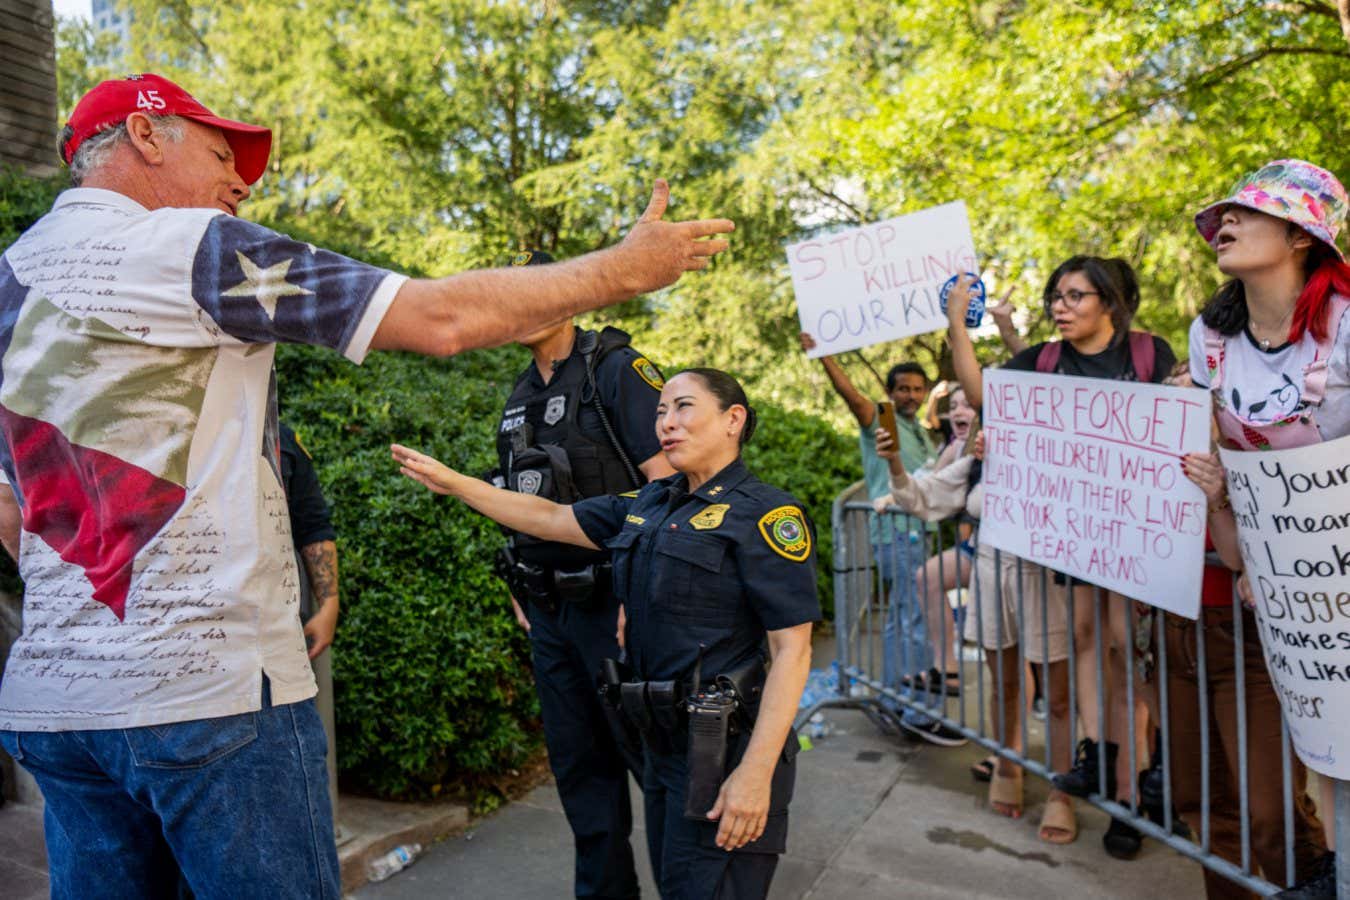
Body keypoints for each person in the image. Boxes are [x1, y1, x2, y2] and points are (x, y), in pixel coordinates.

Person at [0, 72, 732, 899]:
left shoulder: (9, 279)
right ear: (143, 135)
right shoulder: (187, 243)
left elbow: (9, 507)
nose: (239, 183)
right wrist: (623, 270)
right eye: (218, 153)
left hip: (54, 708)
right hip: (209, 695)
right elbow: (438, 317)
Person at [393, 368, 818, 900]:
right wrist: (458, 485)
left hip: (726, 752)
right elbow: (550, 517)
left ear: (734, 419)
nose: (666, 422)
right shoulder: (651, 502)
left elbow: (792, 652)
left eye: (684, 407)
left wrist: (755, 774)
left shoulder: (767, 516)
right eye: (661, 412)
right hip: (665, 748)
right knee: (678, 886)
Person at [947, 256, 1177, 858]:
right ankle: (1099, 764)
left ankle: (1136, 797)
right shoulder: (1043, 361)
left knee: (1129, 654)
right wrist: (957, 326)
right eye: (1056, 295)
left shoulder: (1151, 356)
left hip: (1140, 533)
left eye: (1076, 296)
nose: (1060, 305)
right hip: (1076, 534)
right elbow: (984, 397)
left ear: (1110, 303)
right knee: (1084, 643)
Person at [1182, 158, 1350, 899]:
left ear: (1301, 236)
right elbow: (1225, 483)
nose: (1227, 223)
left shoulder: (1345, 326)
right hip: (1275, 593)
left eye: (1246, 214)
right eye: (1223, 214)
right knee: (1326, 753)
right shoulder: (1209, 340)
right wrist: (1219, 500)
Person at [490, 249, 676, 900]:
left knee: (658, 770)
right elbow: (515, 503)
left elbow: (673, 489)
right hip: (552, 618)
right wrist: (523, 592)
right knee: (582, 777)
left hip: (621, 611)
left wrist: (642, 591)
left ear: (569, 297)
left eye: (535, 292)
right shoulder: (518, 399)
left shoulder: (617, 372)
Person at [876, 411, 1076, 843]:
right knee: (1003, 683)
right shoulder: (977, 463)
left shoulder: (1058, 456)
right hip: (990, 574)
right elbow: (922, 496)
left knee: (1058, 695)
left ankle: (1062, 790)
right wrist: (893, 462)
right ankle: (1007, 764)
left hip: (1045, 580)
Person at [797, 332, 965, 747]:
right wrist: (824, 354)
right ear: (889, 393)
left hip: (916, 533)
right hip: (897, 535)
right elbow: (851, 395)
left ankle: (901, 702)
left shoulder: (918, 429)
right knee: (910, 620)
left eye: (917, 389)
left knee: (903, 619)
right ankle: (913, 711)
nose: (910, 395)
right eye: (903, 389)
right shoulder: (883, 419)